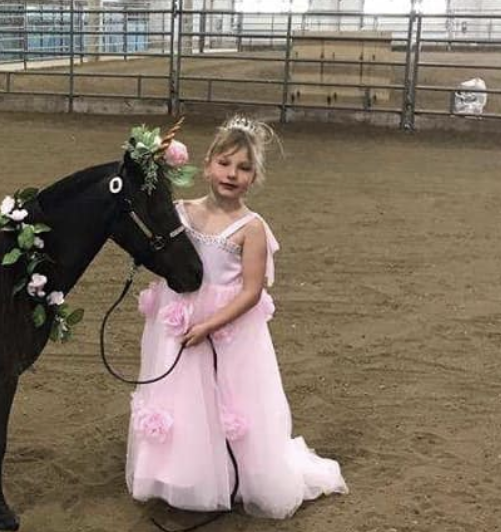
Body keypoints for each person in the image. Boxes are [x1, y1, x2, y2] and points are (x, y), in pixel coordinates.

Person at [126, 115, 348, 519]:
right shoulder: (180, 212)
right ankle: (180, 473)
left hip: (225, 330)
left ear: (254, 177)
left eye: (244, 168)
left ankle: (230, 474)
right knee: (181, 398)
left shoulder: (252, 228)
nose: (232, 174)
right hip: (178, 319)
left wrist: (210, 325)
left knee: (224, 401)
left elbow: (251, 291)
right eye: (225, 163)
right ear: (207, 165)